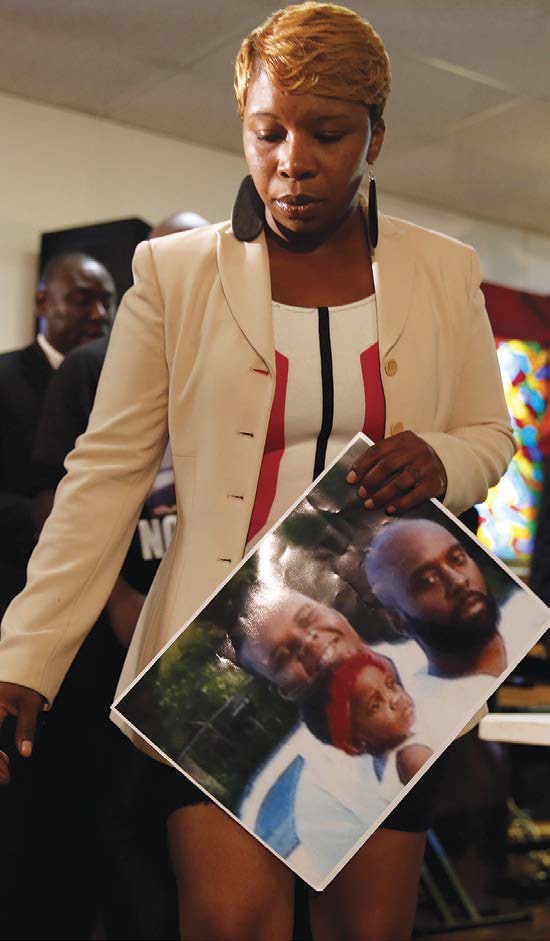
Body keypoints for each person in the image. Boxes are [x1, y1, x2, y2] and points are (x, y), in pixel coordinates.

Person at [0, 4, 515, 940]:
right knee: (234, 922)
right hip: (224, 652)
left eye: (327, 134)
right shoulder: (173, 275)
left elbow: (490, 433)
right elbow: (104, 477)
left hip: (388, 652)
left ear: (376, 136)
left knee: (369, 930)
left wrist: (446, 455)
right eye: (267, 131)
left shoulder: (445, 272)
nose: (293, 160)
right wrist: (25, 654)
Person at [0, 252, 116, 615]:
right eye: (83, 300)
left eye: (106, 302)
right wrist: (50, 523)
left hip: (105, 590)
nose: (99, 314)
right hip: (16, 583)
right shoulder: (3, 378)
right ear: (42, 301)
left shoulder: (120, 384)